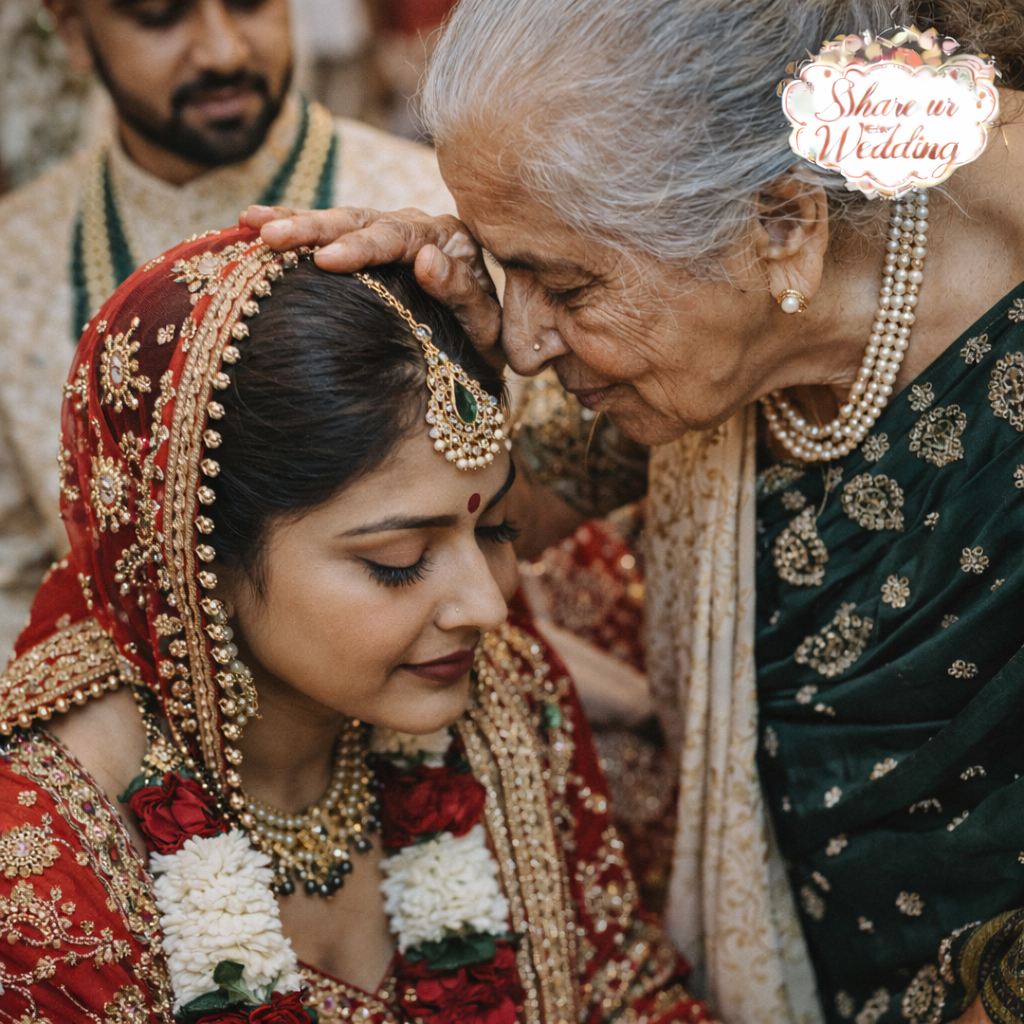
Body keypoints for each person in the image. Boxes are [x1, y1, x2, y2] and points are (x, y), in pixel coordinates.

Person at [241, 0, 1024, 1021]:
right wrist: (428, 361)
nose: (526, 344)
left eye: (560, 282)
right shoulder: (696, 308)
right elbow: (505, 521)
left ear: (781, 223)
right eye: (501, 261)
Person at [0, 226, 717, 1024]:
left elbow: (627, 1000)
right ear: (202, 566)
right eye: (400, 558)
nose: (485, 606)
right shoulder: (41, 861)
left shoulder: (502, 692)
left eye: (497, 531)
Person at [0, 0, 454, 659]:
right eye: (160, 15)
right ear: (73, 31)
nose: (223, 52)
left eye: (250, 3)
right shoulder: (15, 258)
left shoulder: (434, 214)